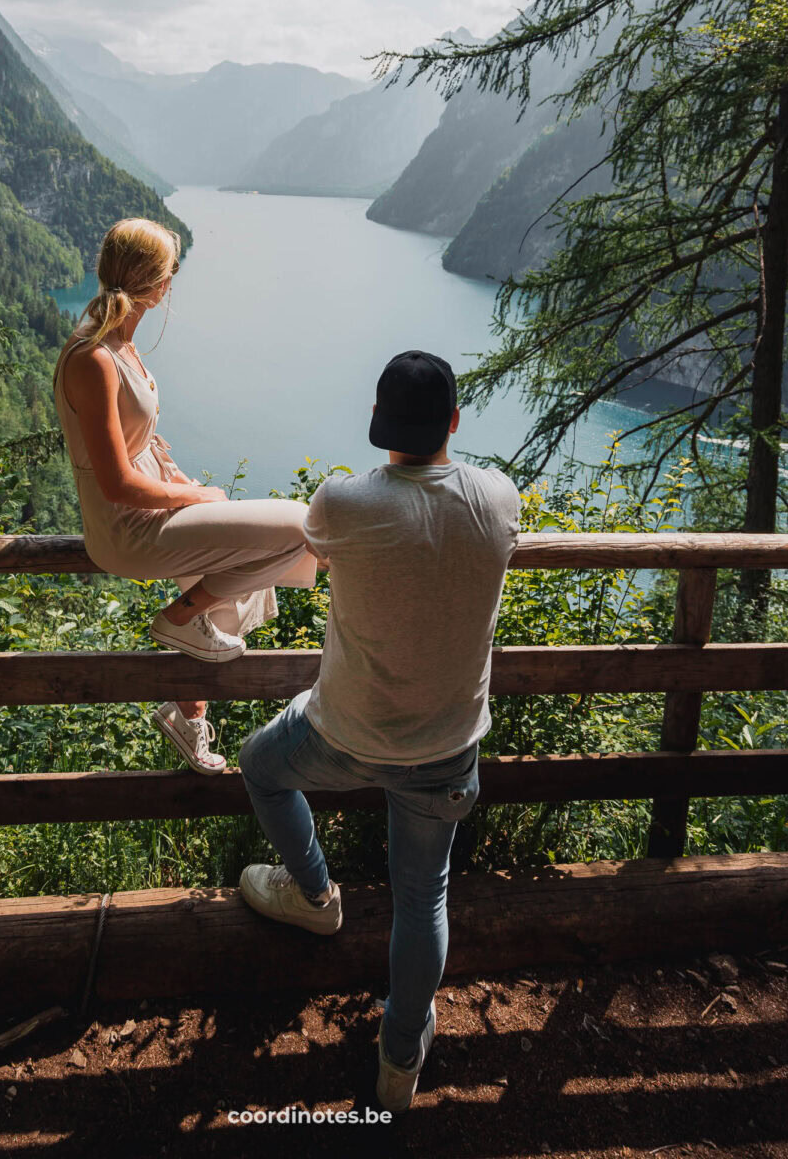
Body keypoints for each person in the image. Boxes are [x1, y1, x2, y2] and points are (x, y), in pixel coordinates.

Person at [237, 350, 520, 1113]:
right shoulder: (496, 497)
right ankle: (399, 1062)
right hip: (446, 751)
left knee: (261, 767)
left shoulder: (342, 502)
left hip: (344, 735)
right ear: (454, 423)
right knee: (422, 898)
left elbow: (319, 552)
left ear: (375, 423)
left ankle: (313, 895)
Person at [53, 217, 317, 775]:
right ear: (156, 285)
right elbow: (116, 482)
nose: (172, 284)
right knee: (301, 526)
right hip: (130, 529)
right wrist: (193, 500)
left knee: (251, 555)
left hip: (146, 514)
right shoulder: (94, 358)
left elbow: (131, 444)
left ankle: (188, 708)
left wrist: (185, 487)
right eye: (170, 273)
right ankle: (179, 618)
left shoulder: (116, 346)